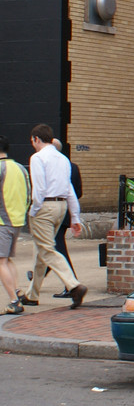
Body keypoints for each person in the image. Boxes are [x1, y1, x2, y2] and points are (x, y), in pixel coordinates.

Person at [21, 124, 87, 309]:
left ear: (36, 139)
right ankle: (32, 294)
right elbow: (70, 190)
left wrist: (33, 211)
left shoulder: (37, 158)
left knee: (47, 250)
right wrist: (75, 217)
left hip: (45, 207)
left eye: (32, 141)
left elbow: (39, 189)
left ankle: (73, 285)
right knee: (42, 251)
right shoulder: (63, 159)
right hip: (62, 206)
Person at [45, 138, 81, 299]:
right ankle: (38, 276)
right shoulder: (72, 166)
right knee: (50, 244)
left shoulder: (52, 165)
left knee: (57, 246)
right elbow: (78, 192)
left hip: (54, 210)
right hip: (67, 211)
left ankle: (71, 284)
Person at [0, 135, 31, 315]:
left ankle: (14, 301)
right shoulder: (20, 168)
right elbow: (29, 194)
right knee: (7, 259)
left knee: (1, 261)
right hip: (18, 219)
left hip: (2, 220)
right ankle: (17, 292)